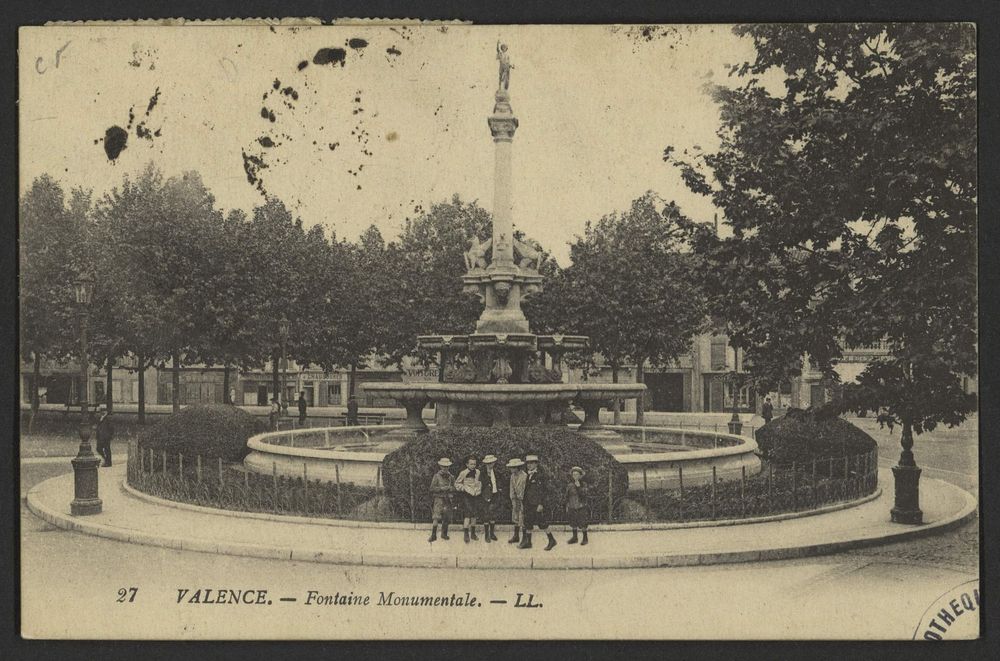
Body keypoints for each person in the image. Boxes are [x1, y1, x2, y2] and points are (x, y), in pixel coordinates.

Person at [520, 454, 557, 551]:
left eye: (532, 463)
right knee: (528, 522)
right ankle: (528, 542)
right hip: (528, 503)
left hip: (536, 504)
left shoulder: (541, 476)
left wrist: (541, 504)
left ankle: (552, 540)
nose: (529, 465)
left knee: (542, 523)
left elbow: (544, 491)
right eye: (528, 463)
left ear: (536, 464)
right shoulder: (526, 475)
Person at [454, 455, 483, 543]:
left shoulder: (478, 472)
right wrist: (464, 488)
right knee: (467, 514)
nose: (473, 466)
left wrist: (478, 489)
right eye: (471, 464)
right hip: (467, 496)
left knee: (474, 514)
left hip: (475, 495)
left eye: (474, 464)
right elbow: (457, 483)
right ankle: (466, 534)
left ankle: (473, 533)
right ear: (467, 464)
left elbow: (479, 482)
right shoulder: (463, 473)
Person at [428, 458, 454, 543]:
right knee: (436, 517)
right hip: (438, 498)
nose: (445, 468)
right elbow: (432, 488)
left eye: (447, 467)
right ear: (440, 466)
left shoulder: (451, 477)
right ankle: (433, 535)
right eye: (443, 467)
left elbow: (454, 487)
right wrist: (441, 488)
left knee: (446, 517)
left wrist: (450, 488)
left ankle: (444, 534)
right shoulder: (436, 476)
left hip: (447, 498)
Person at [479, 454, 502, 543]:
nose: (489, 465)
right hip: (485, 496)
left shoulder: (497, 472)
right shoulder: (482, 473)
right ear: (485, 464)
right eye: (488, 463)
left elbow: (499, 482)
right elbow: (480, 485)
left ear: (494, 463)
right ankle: (486, 534)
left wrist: (499, 489)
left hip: (495, 495)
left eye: (491, 463)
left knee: (493, 514)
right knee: (486, 515)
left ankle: (492, 533)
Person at [565, 466, 589, 545]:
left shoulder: (583, 484)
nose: (575, 476)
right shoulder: (570, 485)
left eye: (577, 474)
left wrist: (579, 487)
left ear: (580, 475)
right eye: (574, 474)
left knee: (583, 522)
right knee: (573, 522)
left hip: (581, 505)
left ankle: (585, 538)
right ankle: (574, 538)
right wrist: (567, 505)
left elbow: (584, 494)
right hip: (572, 505)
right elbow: (567, 496)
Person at [506, 457, 526, 544]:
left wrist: (523, 499)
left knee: (523, 517)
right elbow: (512, 488)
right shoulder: (512, 476)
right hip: (516, 499)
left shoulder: (525, 476)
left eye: (513, 467)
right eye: (511, 467)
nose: (511, 469)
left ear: (517, 467)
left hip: (523, 499)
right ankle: (516, 536)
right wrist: (513, 499)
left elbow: (526, 489)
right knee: (516, 517)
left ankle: (525, 538)